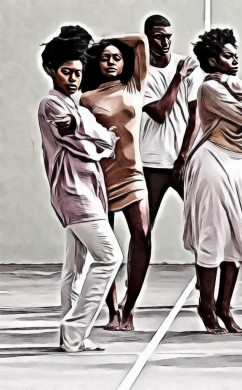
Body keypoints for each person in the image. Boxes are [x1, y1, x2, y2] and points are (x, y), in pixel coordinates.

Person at [38, 25, 123, 351]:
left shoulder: (76, 110)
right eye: (66, 72)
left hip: (86, 191)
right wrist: (94, 136)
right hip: (73, 194)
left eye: (77, 73)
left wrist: (89, 131)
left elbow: (105, 143)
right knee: (110, 257)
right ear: (51, 71)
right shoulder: (51, 105)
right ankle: (74, 330)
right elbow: (91, 147)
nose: (73, 79)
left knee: (76, 267)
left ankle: (72, 336)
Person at [184, 28, 242, 334]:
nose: (235, 60)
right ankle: (206, 306)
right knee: (212, 235)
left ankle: (225, 306)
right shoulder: (210, 89)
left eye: (236, 55)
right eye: (227, 56)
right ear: (211, 59)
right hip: (213, 161)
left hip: (239, 164)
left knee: (235, 236)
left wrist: (239, 89)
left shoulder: (232, 84)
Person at [80, 34, 150, 331]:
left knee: (142, 237)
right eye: (104, 57)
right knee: (107, 249)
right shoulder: (87, 98)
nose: (110, 61)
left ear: (124, 63)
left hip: (133, 173)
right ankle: (111, 311)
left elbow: (139, 43)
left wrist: (103, 41)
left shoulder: (134, 86)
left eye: (116, 57)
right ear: (97, 63)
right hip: (102, 177)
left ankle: (129, 308)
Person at [140, 14, 202, 226]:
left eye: (168, 37)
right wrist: (178, 77)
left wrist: (183, 156)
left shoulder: (187, 65)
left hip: (184, 161)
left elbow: (197, 115)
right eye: (159, 37)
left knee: (204, 223)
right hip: (152, 161)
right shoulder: (139, 73)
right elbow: (159, 114)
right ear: (147, 37)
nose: (165, 42)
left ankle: (213, 260)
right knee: (143, 229)